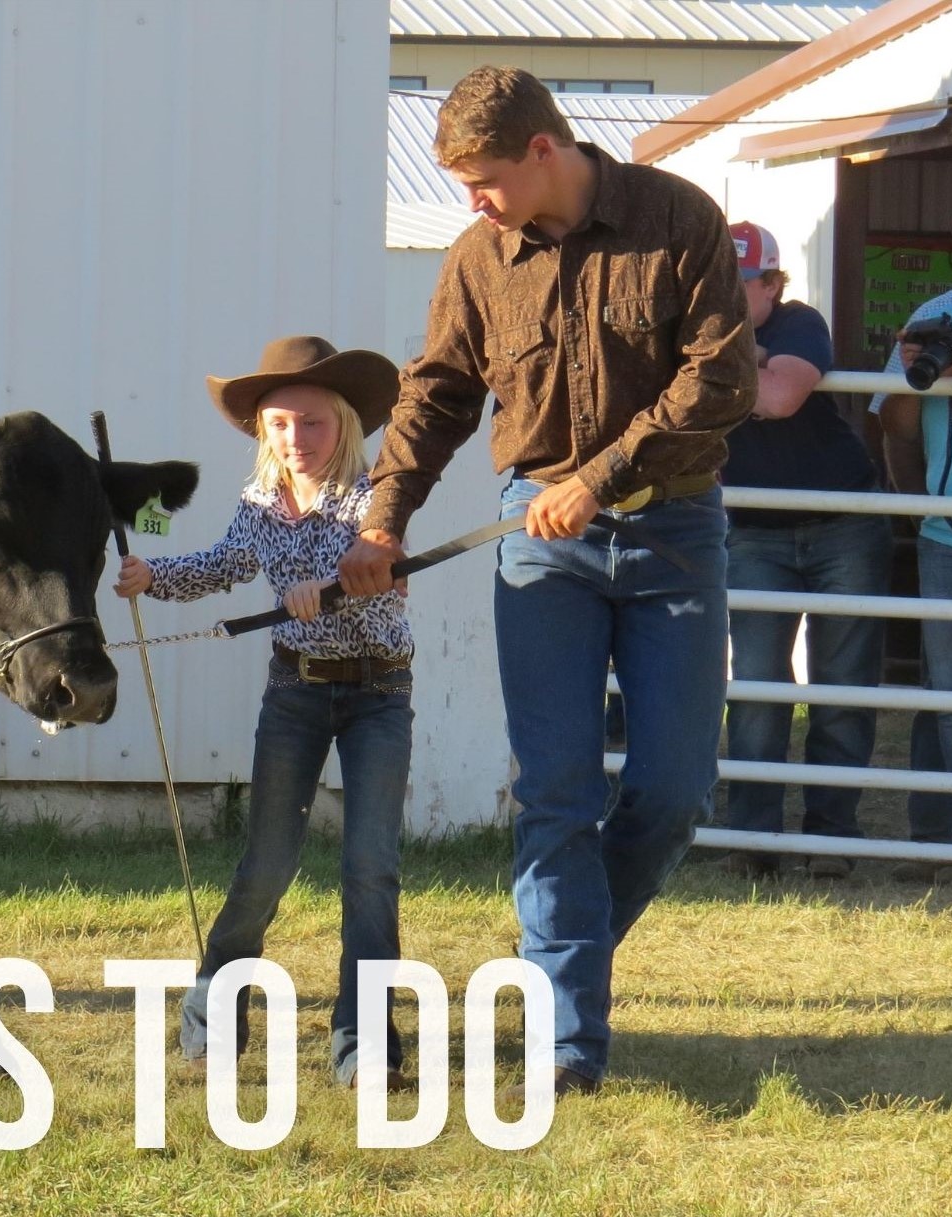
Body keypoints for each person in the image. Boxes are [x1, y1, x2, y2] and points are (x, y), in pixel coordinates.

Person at [338, 67, 755, 1098]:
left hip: (673, 536)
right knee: (555, 793)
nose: (470, 201)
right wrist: (382, 515)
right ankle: (570, 1042)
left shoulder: (678, 220)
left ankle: (553, 966)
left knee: (670, 790)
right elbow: (433, 395)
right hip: (540, 544)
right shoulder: (478, 259)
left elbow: (719, 378)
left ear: (540, 151)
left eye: (482, 178)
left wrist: (600, 476)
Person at [116, 336, 414, 1090]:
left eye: (311, 423)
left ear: (343, 424)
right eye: (279, 424)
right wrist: (151, 575)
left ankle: (362, 1047)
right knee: (266, 866)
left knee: (369, 870)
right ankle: (211, 1018)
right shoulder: (256, 504)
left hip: (379, 693)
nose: (295, 439)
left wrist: (337, 582)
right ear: (261, 431)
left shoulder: (371, 494)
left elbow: (390, 577)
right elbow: (221, 566)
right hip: (295, 692)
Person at [718, 220, 889, 881]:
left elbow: (782, 396)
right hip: (755, 527)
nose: (729, 299)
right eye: (719, 286)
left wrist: (729, 366)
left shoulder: (798, 321)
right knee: (758, 683)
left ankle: (831, 836)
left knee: (841, 682)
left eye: (742, 285)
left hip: (842, 521)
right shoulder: (707, 331)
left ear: (771, 284)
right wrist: (750, 361)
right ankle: (753, 837)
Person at [875, 223, 952, 887]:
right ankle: (937, 842)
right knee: (945, 691)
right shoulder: (932, 319)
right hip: (946, 536)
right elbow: (893, 425)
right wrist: (921, 378)